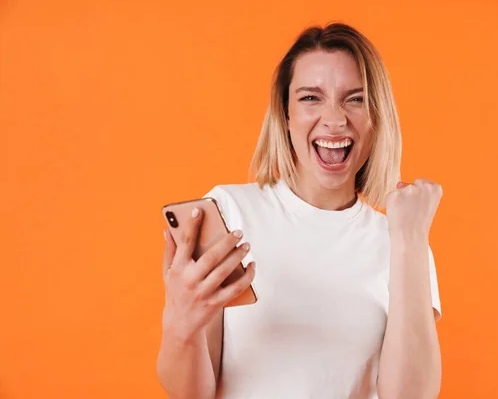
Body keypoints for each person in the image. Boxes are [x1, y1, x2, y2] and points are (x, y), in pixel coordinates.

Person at [157, 22, 443, 399]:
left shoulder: (403, 243)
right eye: (311, 98)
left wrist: (409, 238)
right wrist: (182, 324)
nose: (335, 119)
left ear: (377, 118)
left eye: (355, 99)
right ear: (285, 115)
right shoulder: (230, 214)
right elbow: (191, 394)